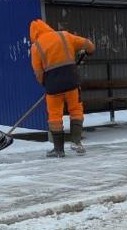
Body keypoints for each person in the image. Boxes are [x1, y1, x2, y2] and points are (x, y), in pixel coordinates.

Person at [29, 18, 95, 158]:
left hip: (53, 87)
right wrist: (89, 51)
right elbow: (88, 44)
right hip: (72, 82)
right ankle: (76, 142)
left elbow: (38, 72)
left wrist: (45, 84)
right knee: (76, 110)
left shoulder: (36, 47)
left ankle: (59, 150)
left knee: (54, 115)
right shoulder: (64, 35)